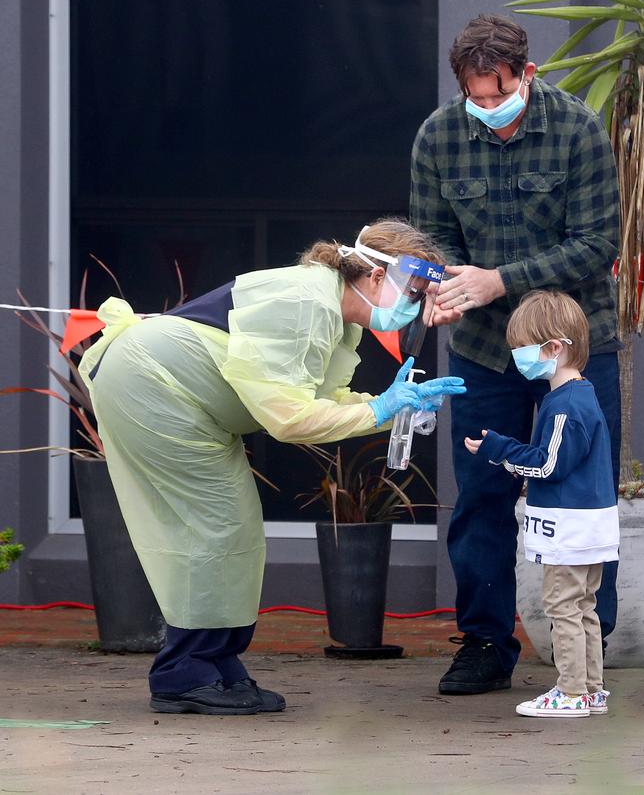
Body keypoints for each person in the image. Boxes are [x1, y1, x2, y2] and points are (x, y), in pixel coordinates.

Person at [78, 219, 466, 716]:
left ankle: (213, 663)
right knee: (214, 528)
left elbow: (319, 399)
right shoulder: (309, 305)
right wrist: (381, 409)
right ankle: (185, 673)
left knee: (228, 530)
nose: (417, 308)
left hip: (169, 392)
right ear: (374, 277)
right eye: (413, 292)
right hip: (153, 387)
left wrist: (393, 404)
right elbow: (290, 420)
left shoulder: (329, 308)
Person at [410, 13, 621, 695]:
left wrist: (499, 279)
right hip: (480, 348)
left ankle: (589, 645)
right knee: (481, 493)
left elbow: (597, 244)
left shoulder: (577, 129)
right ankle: (483, 641)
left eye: (501, 93)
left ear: (527, 75)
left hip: (573, 345)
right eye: (478, 96)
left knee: (585, 491)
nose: (490, 108)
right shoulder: (438, 137)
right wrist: (438, 289)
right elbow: (431, 246)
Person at [465, 291, 619, 717]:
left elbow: (549, 466)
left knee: (563, 606)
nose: (518, 358)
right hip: (590, 524)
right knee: (583, 605)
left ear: (555, 348)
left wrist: (500, 450)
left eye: (523, 349)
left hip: (570, 525)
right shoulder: (580, 396)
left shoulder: (565, 404)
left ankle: (571, 693)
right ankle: (589, 689)